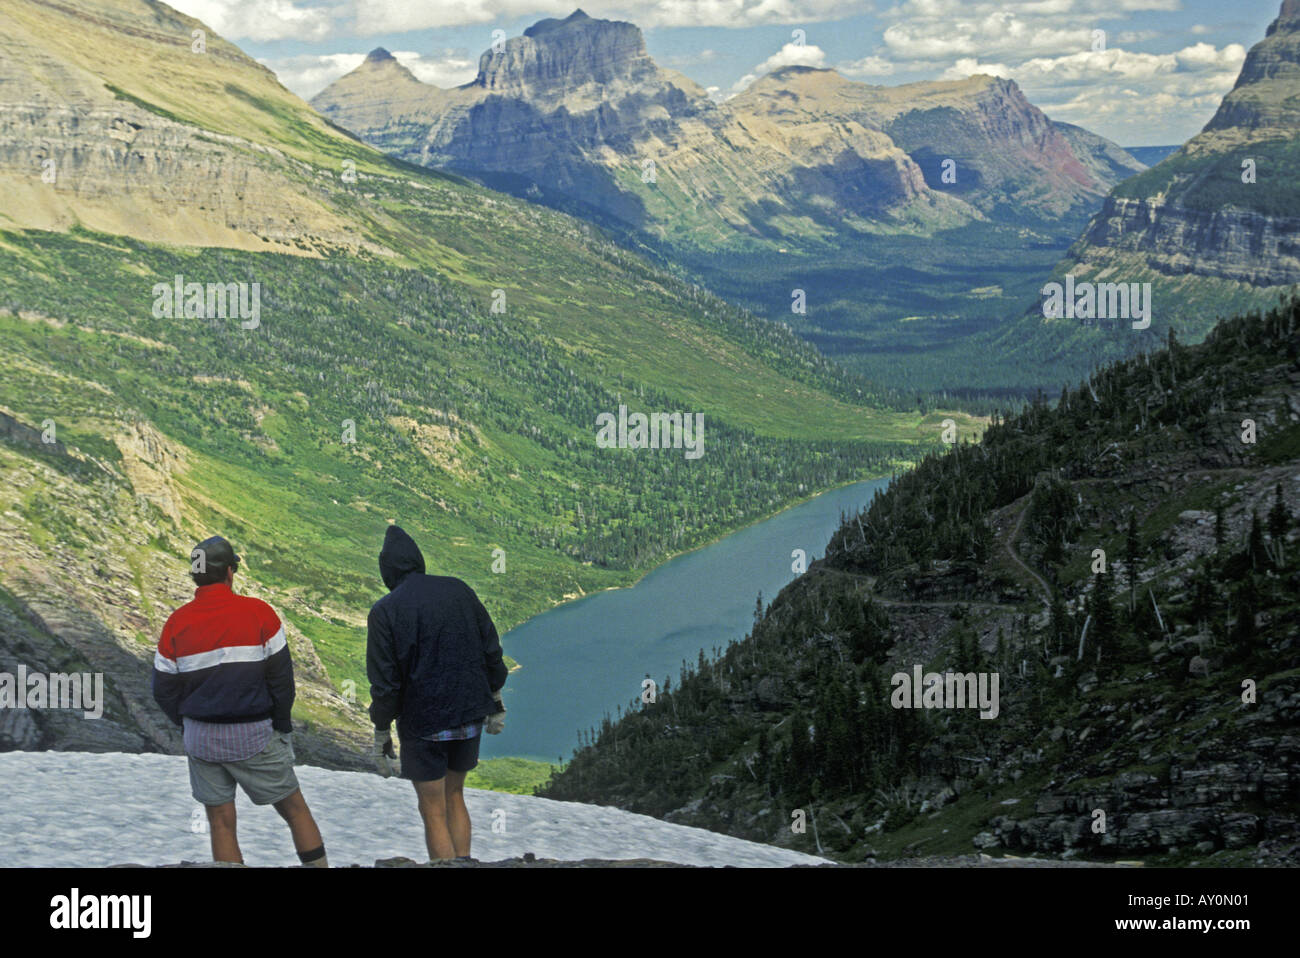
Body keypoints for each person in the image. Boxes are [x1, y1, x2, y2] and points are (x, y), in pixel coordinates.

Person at [151, 535, 327, 867]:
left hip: (201, 739)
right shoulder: (259, 613)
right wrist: (282, 727)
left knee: (220, 822)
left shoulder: (176, 623)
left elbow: (163, 690)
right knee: (295, 809)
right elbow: (281, 683)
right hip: (253, 736)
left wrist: (188, 723)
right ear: (230, 572)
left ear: (195, 576)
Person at [366, 525, 507, 862]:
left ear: (387, 570)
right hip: (470, 714)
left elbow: (386, 684)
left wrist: (381, 729)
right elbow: (491, 649)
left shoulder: (385, 611)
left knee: (432, 808)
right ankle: (464, 861)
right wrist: (496, 698)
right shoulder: (458, 590)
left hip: (424, 723)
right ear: (419, 561)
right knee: (455, 795)